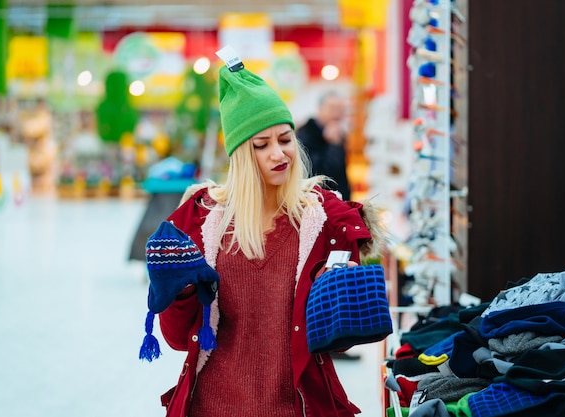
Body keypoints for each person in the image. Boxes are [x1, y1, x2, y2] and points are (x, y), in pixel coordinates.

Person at [148, 48, 386, 417]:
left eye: (285, 139)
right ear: (241, 155)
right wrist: (178, 292)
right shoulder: (200, 223)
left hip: (297, 406)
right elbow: (180, 340)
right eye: (262, 145)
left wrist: (339, 295)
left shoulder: (323, 221)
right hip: (213, 405)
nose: (280, 154)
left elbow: (339, 343)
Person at [296, 91, 351, 201]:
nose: (336, 114)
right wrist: (333, 144)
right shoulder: (305, 135)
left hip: (340, 201)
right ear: (320, 109)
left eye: (340, 110)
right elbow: (321, 175)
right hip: (319, 203)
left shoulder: (339, 134)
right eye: (332, 108)